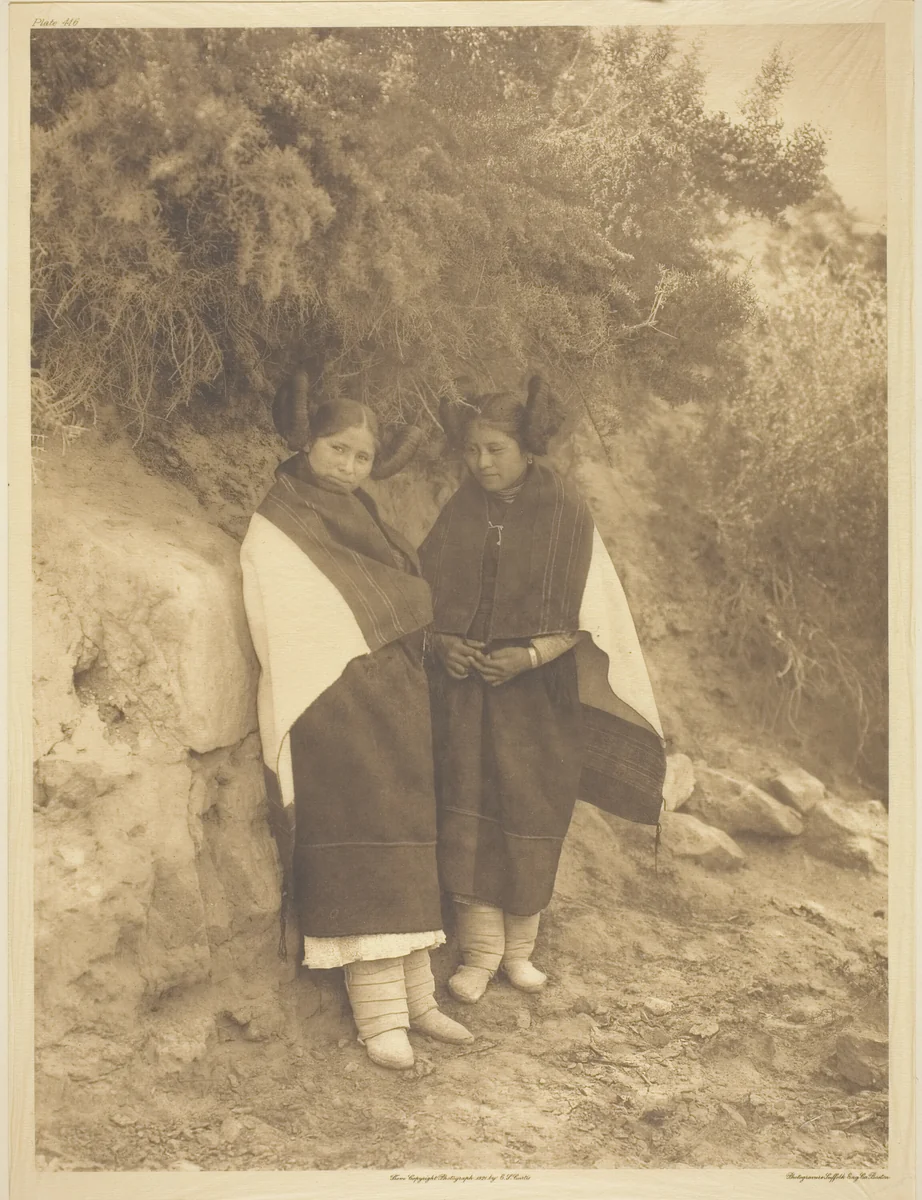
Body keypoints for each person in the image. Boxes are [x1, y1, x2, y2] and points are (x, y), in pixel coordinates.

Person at [240, 370, 472, 1069]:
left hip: (388, 698)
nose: (347, 465)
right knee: (362, 834)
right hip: (333, 704)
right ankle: (380, 1019)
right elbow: (288, 606)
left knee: (402, 830)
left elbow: (389, 589)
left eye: (362, 456)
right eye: (336, 448)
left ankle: (418, 998)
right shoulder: (283, 516)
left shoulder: (361, 511)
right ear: (307, 443)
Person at [418, 375, 667, 1005]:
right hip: (468, 694)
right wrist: (443, 643)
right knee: (468, 807)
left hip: (538, 698)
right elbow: (422, 594)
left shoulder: (565, 512)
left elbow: (591, 616)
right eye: (473, 450)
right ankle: (479, 955)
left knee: (531, 811)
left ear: (527, 448)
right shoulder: (461, 508)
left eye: (496, 449)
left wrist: (529, 655)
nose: (482, 463)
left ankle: (520, 954)